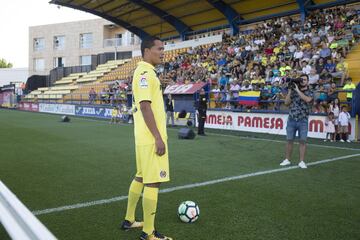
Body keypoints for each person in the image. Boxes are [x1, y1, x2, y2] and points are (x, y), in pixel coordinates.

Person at [121, 36, 172, 240]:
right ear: (146, 50)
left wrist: (160, 85)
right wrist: (158, 138)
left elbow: (149, 99)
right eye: (159, 48)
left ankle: (129, 219)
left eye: (163, 49)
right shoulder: (144, 72)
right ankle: (149, 233)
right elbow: (144, 106)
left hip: (143, 137)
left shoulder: (149, 74)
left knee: (141, 177)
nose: (163, 52)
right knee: (153, 182)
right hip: (151, 138)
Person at [280, 74, 313, 169]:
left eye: (305, 79)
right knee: (289, 140)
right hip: (292, 119)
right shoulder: (293, 91)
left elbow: (307, 99)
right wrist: (290, 90)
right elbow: (286, 103)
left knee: (302, 141)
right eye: (301, 79)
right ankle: (287, 159)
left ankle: (301, 161)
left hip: (303, 120)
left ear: (308, 81)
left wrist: (297, 90)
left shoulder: (310, 91)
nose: (302, 81)